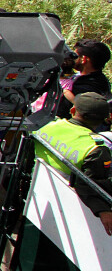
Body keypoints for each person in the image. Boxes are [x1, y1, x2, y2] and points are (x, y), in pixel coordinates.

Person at [32, 93, 112, 237]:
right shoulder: (96, 149)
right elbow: (92, 185)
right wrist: (103, 210)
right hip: (64, 210)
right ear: (105, 119)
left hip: (30, 192)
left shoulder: (45, 125)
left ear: (73, 110)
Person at [57, 40, 111, 118]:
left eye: (75, 56)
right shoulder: (101, 81)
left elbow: (61, 112)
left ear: (84, 59)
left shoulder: (83, 88)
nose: (71, 58)